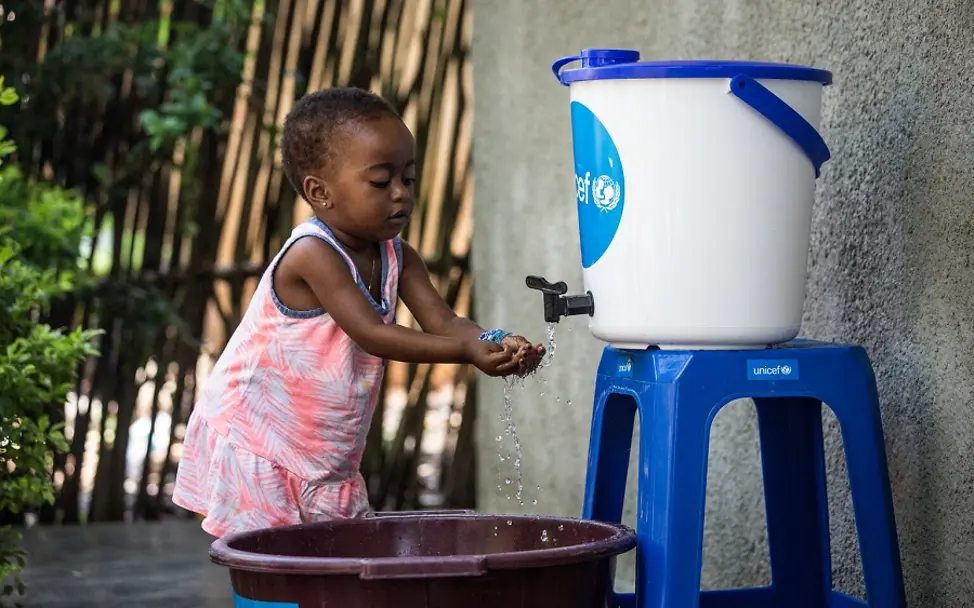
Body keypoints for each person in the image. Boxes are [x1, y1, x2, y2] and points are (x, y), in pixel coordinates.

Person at [172, 87, 545, 538]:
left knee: (335, 569)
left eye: (408, 179)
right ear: (319, 192)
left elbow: (445, 323)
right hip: (262, 446)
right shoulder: (313, 255)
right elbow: (372, 334)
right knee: (274, 572)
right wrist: (467, 352)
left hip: (326, 458)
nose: (400, 195)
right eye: (380, 182)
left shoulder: (397, 256)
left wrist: (496, 342)